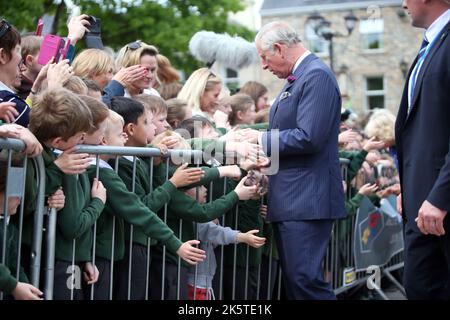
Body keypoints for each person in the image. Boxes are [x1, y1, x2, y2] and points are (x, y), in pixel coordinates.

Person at [254, 21, 345, 299]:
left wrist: (258, 140)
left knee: (305, 282)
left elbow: (309, 136)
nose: (264, 66)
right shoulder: (302, 75)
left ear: (279, 49)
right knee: (298, 283)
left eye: (264, 57)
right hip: (296, 199)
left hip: (306, 200)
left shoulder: (315, 75)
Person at [395, 0, 450, 299]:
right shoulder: (431, 42)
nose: (403, 3)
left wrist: (440, 198)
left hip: (439, 206)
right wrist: (409, 186)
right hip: (422, 203)